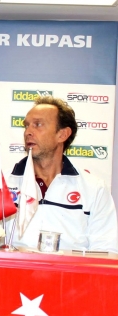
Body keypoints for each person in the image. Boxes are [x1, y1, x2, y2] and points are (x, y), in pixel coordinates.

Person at [7, 96, 118, 252]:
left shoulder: (93, 188)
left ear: (63, 134)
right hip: (15, 268)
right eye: (26, 126)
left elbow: (106, 251)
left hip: (72, 268)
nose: (28, 132)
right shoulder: (4, 183)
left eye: (38, 124)